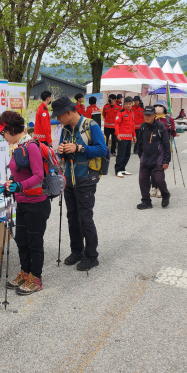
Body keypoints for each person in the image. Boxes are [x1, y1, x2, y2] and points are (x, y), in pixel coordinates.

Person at [0, 110, 51, 295]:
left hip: (36, 203)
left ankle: (36, 278)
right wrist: (8, 185)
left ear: (10, 129)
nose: (2, 137)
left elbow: (39, 176)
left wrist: (19, 186)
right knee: (21, 240)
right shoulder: (18, 145)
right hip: (23, 202)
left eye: (3, 133)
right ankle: (25, 273)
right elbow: (18, 174)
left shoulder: (31, 146)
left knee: (34, 242)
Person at [53, 95, 107, 271]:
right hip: (69, 177)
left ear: (68, 112)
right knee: (72, 216)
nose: (58, 119)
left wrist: (79, 148)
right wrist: (61, 151)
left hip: (86, 177)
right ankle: (76, 251)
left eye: (59, 116)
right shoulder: (65, 129)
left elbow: (102, 149)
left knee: (85, 217)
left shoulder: (91, 126)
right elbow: (61, 152)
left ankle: (91, 255)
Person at [135, 106, 171, 209]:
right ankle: (146, 201)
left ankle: (165, 195)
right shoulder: (142, 127)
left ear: (154, 116)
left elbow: (166, 145)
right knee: (143, 180)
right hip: (145, 158)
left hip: (158, 158)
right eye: (145, 115)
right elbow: (140, 143)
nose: (147, 117)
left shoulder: (160, 127)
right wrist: (140, 155)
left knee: (159, 180)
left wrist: (166, 160)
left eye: (149, 115)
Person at [114, 96, 136, 177]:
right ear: (124, 104)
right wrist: (117, 134)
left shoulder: (132, 113)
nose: (128, 105)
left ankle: (123, 169)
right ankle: (118, 170)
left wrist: (134, 136)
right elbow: (116, 124)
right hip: (122, 138)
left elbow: (133, 126)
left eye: (130, 104)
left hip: (129, 138)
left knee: (127, 154)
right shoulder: (121, 113)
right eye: (127, 104)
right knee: (121, 154)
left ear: (132, 104)